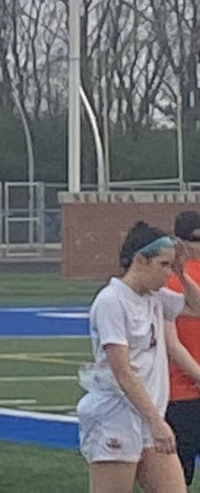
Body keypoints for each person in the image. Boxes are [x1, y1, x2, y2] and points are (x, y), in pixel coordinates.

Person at [77, 220, 200, 493]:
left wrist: (182, 273)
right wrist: (157, 421)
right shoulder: (112, 301)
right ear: (141, 260)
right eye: (164, 265)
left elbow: (197, 307)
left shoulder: (156, 298)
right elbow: (122, 371)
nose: (167, 274)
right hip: (116, 417)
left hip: (149, 418)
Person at [165, 211, 200, 485]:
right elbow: (171, 343)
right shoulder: (169, 277)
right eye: (196, 239)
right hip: (182, 390)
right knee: (179, 476)